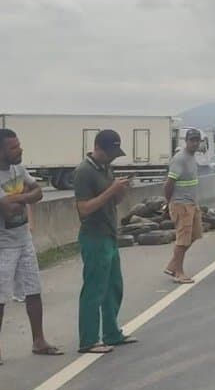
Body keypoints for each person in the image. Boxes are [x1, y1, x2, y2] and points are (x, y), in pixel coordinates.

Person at [73, 130, 138, 354]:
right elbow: (84, 209)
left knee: (113, 286)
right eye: (110, 152)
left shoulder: (106, 168)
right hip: (94, 236)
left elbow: (114, 200)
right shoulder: (84, 171)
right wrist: (111, 190)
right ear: (98, 147)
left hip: (110, 233)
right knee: (94, 288)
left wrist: (121, 190)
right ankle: (88, 339)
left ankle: (112, 332)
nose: (113, 158)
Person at [0, 129, 62, 362]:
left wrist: (19, 199)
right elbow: (7, 207)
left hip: (23, 239)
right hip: (3, 245)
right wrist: (23, 198)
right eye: (14, 147)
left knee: (33, 289)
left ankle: (39, 340)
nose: (20, 150)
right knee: (1, 297)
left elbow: (37, 193)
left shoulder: (19, 169)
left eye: (19, 145)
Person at [164, 129, 203, 284]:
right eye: (192, 140)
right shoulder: (179, 159)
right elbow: (169, 184)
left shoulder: (192, 158)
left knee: (195, 235)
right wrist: (170, 202)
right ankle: (178, 272)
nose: (194, 143)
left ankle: (172, 265)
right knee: (183, 240)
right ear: (186, 141)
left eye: (197, 140)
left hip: (192, 203)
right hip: (181, 204)